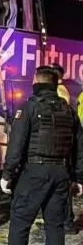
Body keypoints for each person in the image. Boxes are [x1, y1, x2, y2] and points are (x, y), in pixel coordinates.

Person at [0, 65, 83, 245]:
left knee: (21, 221)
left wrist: (7, 175)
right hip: (61, 174)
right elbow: (79, 148)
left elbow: (17, 145)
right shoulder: (69, 110)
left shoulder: (29, 108)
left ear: (37, 82)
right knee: (55, 227)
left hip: (35, 172)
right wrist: (79, 178)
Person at [50, 63, 77, 235]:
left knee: (63, 185)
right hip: (63, 142)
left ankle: (67, 222)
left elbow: (60, 118)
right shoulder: (61, 90)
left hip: (61, 144)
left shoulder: (60, 92)